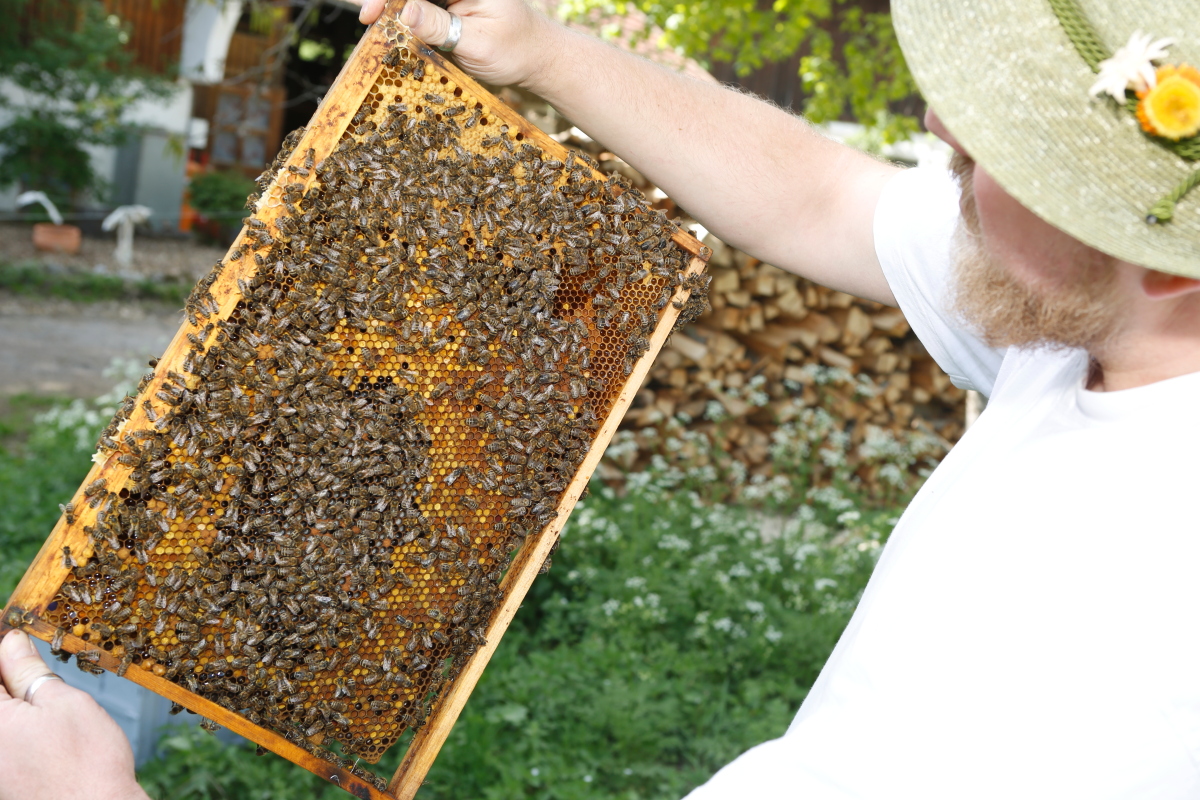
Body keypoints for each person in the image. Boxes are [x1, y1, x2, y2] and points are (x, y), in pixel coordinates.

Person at [7, 0, 1200, 796]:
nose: (943, 133)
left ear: (1164, 253)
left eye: (996, 157)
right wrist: (549, 50)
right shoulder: (1080, 318)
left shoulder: (1156, 620)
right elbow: (825, 197)